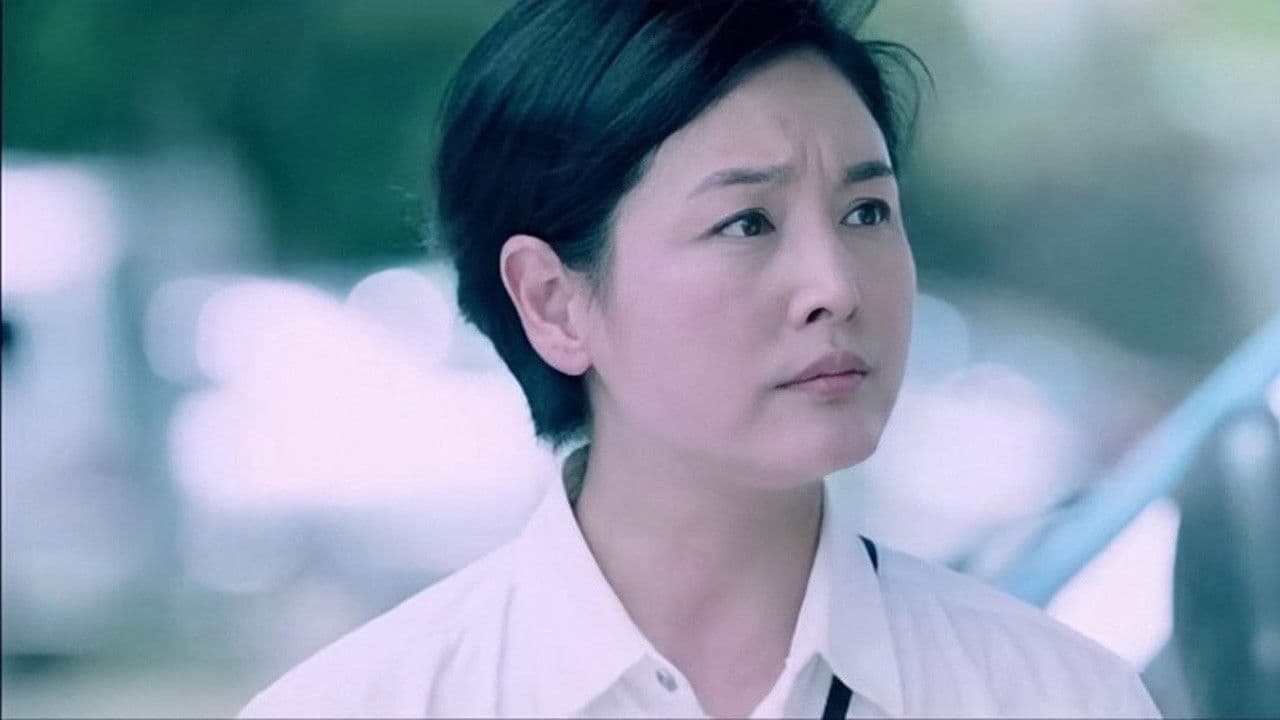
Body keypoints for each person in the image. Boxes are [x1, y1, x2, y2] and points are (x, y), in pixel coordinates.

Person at [240, 0, 1162, 716]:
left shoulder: (1054, 698)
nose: (835, 286)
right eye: (747, 222)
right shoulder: (366, 706)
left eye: (866, 212)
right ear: (553, 302)